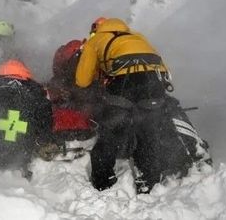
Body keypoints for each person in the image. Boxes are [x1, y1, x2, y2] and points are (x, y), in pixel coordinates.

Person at [74, 17, 209, 193]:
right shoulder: (137, 37)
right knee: (148, 133)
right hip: (153, 84)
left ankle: (103, 182)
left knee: (111, 132)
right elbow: (165, 70)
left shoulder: (95, 40)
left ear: (96, 30)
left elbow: (82, 80)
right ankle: (148, 182)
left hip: (123, 83)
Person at [0, 59, 55, 178]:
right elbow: (46, 118)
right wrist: (44, 140)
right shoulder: (36, 89)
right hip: (21, 153)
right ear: (25, 72)